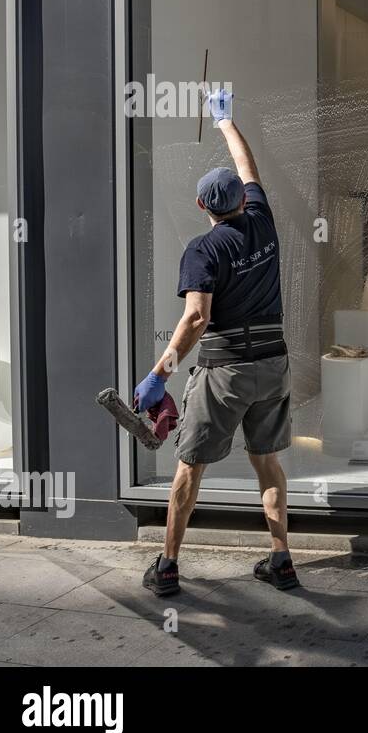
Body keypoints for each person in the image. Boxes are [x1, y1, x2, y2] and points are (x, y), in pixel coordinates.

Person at [134, 109, 298, 597]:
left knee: (190, 466)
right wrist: (225, 121)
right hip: (274, 364)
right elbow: (248, 166)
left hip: (226, 371)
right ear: (242, 200)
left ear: (201, 204)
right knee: (267, 463)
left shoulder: (202, 250)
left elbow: (197, 318)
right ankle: (281, 560)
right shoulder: (262, 221)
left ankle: (167, 566)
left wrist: (160, 373)